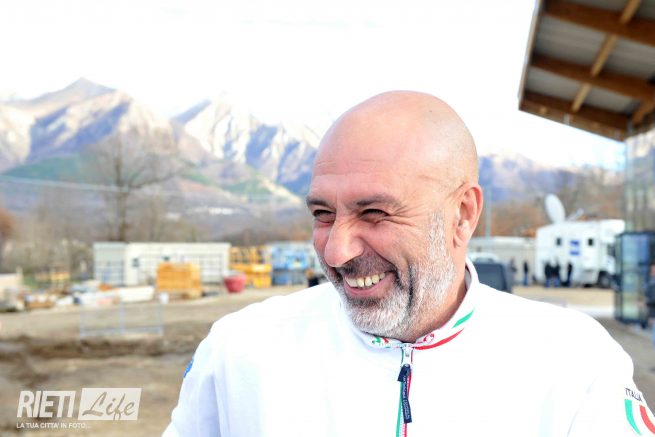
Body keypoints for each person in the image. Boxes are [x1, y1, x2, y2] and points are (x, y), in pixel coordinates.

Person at [165, 91, 652, 436]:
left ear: (463, 214)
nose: (336, 252)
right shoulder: (239, 351)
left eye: (375, 213)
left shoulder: (573, 361)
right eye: (323, 214)